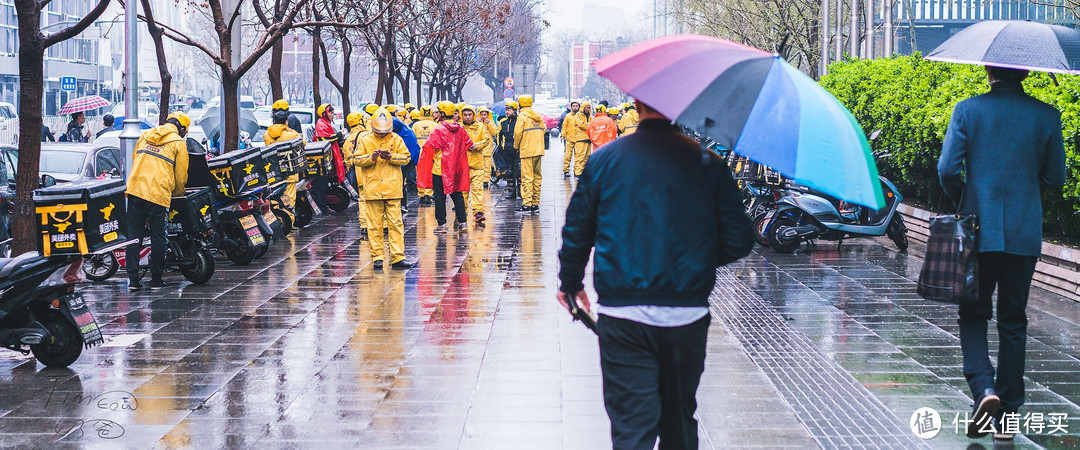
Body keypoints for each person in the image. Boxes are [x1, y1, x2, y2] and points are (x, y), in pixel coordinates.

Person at [558, 99, 753, 449]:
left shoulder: (604, 160)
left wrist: (570, 284)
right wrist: (694, 260)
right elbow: (739, 239)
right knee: (679, 420)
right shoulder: (708, 163)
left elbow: (577, 231)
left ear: (636, 105)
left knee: (632, 426)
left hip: (623, 315)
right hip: (687, 315)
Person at [938, 66, 1066, 441]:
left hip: (978, 228)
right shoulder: (1047, 115)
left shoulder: (968, 110)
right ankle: (1007, 418)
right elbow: (1056, 177)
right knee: (1013, 320)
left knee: (973, 314)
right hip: (1024, 232)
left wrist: (965, 196)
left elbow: (947, 169)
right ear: (1026, 72)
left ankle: (984, 389)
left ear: (988, 69)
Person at [125, 111, 192, 291]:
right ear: (182, 128)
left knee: (133, 236)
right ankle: (156, 278)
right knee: (158, 236)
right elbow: (180, 176)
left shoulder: (145, 135)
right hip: (158, 194)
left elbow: (134, 159)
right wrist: (178, 195)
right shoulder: (178, 143)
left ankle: (132, 280)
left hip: (135, 189)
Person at [355, 108, 413, 270]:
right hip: (373, 189)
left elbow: (406, 158)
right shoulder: (365, 140)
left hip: (392, 188)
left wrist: (391, 157)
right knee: (374, 226)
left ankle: (398, 257)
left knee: (395, 224)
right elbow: (357, 160)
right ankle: (378, 257)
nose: (382, 133)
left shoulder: (397, 139)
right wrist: (371, 158)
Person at [418, 101, 472, 233]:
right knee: (457, 194)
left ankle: (441, 225)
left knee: (440, 197)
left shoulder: (438, 129)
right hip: (456, 168)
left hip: (440, 168)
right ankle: (463, 222)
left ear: (442, 113)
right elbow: (468, 143)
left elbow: (430, 145)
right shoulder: (460, 128)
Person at [264, 100, 305, 229]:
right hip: (289, 171)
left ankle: (277, 222)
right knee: (289, 200)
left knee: (275, 199)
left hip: (274, 172)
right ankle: (289, 224)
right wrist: (289, 129)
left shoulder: (267, 135)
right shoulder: (291, 134)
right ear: (286, 121)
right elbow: (302, 142)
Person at [460, 105, 492, 226]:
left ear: (473, 115)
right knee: (463, 191)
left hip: (477, 163)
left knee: (477, 190)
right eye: (465, 115)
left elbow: (486, 140)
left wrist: (477, 145)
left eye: (469, 115)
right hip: (463, 165)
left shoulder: (480, 127)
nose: (467, 117)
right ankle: (461, 213)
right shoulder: (459, 127)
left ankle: (478, 212)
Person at [513, 94, 545, 213]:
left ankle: (526, 204)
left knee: (527, 177)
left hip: (527, 150)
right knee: (537, 177)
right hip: (538, 150)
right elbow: (544, 129)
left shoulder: (522, 116)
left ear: (520, 104)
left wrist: (516, 146)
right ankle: (535, 203)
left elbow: (517, 133)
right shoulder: (537, 116)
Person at [341, 111, 369, 240]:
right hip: (367, 170)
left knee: (362, 198)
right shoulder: (368, 135)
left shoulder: (347, 140)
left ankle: (364, 224)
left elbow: (347, 160)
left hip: (355, 174)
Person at [313, 103, 346, 213]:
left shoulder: (325, 123)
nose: (333, 115)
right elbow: (325, 138)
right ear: (324, 114)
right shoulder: (321, 124)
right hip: (320, 160)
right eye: (331, 113)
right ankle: (322, 207)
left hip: (325, 159)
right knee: (321, 184)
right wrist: (339, 135)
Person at [411, 105, 438, 205]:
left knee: (420, 174)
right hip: (431, 153)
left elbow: (412, 140)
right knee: (430, 174)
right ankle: (428, 194)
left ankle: (421, 194)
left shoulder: (416, 125)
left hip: (419, 153)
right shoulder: (434, 125)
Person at [497, 101, 519, 199]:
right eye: (506, 110)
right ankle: (511, 191)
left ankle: (521, 191)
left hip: (517, 150)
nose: (507, 112)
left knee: (519, 171)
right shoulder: (503, 122)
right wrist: (501, 147)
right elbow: (499, 135)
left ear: (514, 110)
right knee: (509, 172)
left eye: (508, 110)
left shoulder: (519, 120)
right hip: (507, 150)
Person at [561, 101, 588, 179]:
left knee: (578, 157)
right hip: (569, 139)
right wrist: (563, 134)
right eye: (573, 106)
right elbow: (564, 126)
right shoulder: (568, 116)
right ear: (571, 107)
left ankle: (576, 171)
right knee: (568, 156)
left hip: (579, 139)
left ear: (579, 107)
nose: (575, 107)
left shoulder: (581, 116)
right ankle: (566, 170)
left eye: (576, 106)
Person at [478, 107, 499, 187]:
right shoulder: (476, 123)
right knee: (479, 166)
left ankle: (486, 181)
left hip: (487, 148)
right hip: (479, 148)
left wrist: (489, 123)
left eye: (485, 114)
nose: (483, 116)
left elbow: (494, 132)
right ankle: (479, 180)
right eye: (482, 114)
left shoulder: (491, 122)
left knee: (487, 165)